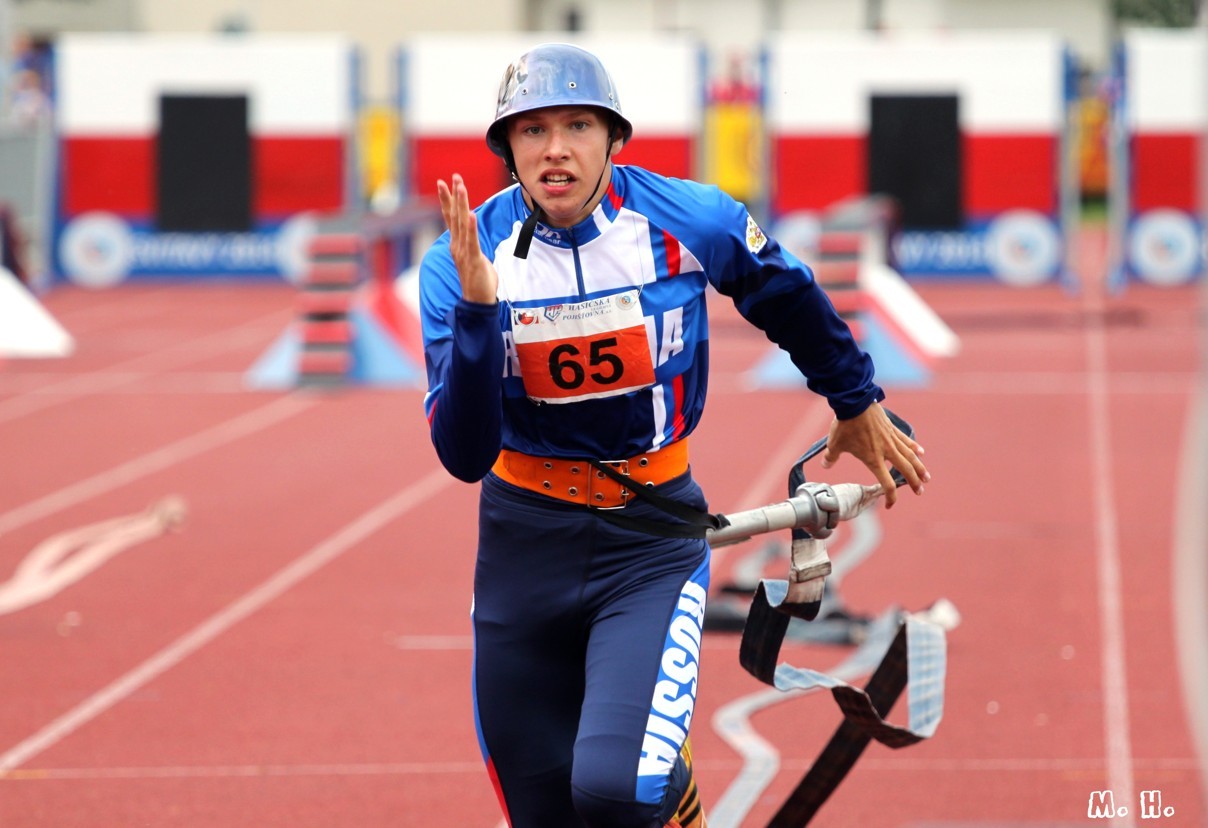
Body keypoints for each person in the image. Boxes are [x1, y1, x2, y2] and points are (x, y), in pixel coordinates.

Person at [418, 42, 929, 828]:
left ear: (614, 138)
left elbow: (785, 293)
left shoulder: (693, 220)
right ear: (507, 148)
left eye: (578, 125)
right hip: (523, 549)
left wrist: (854, 397)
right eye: (532, 130)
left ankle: (673, 794)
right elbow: (463, 456)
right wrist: (482, 313)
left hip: (648, 545)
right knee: (545, 813)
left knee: (617, 793)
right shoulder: (459, 261)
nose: (555, 149)